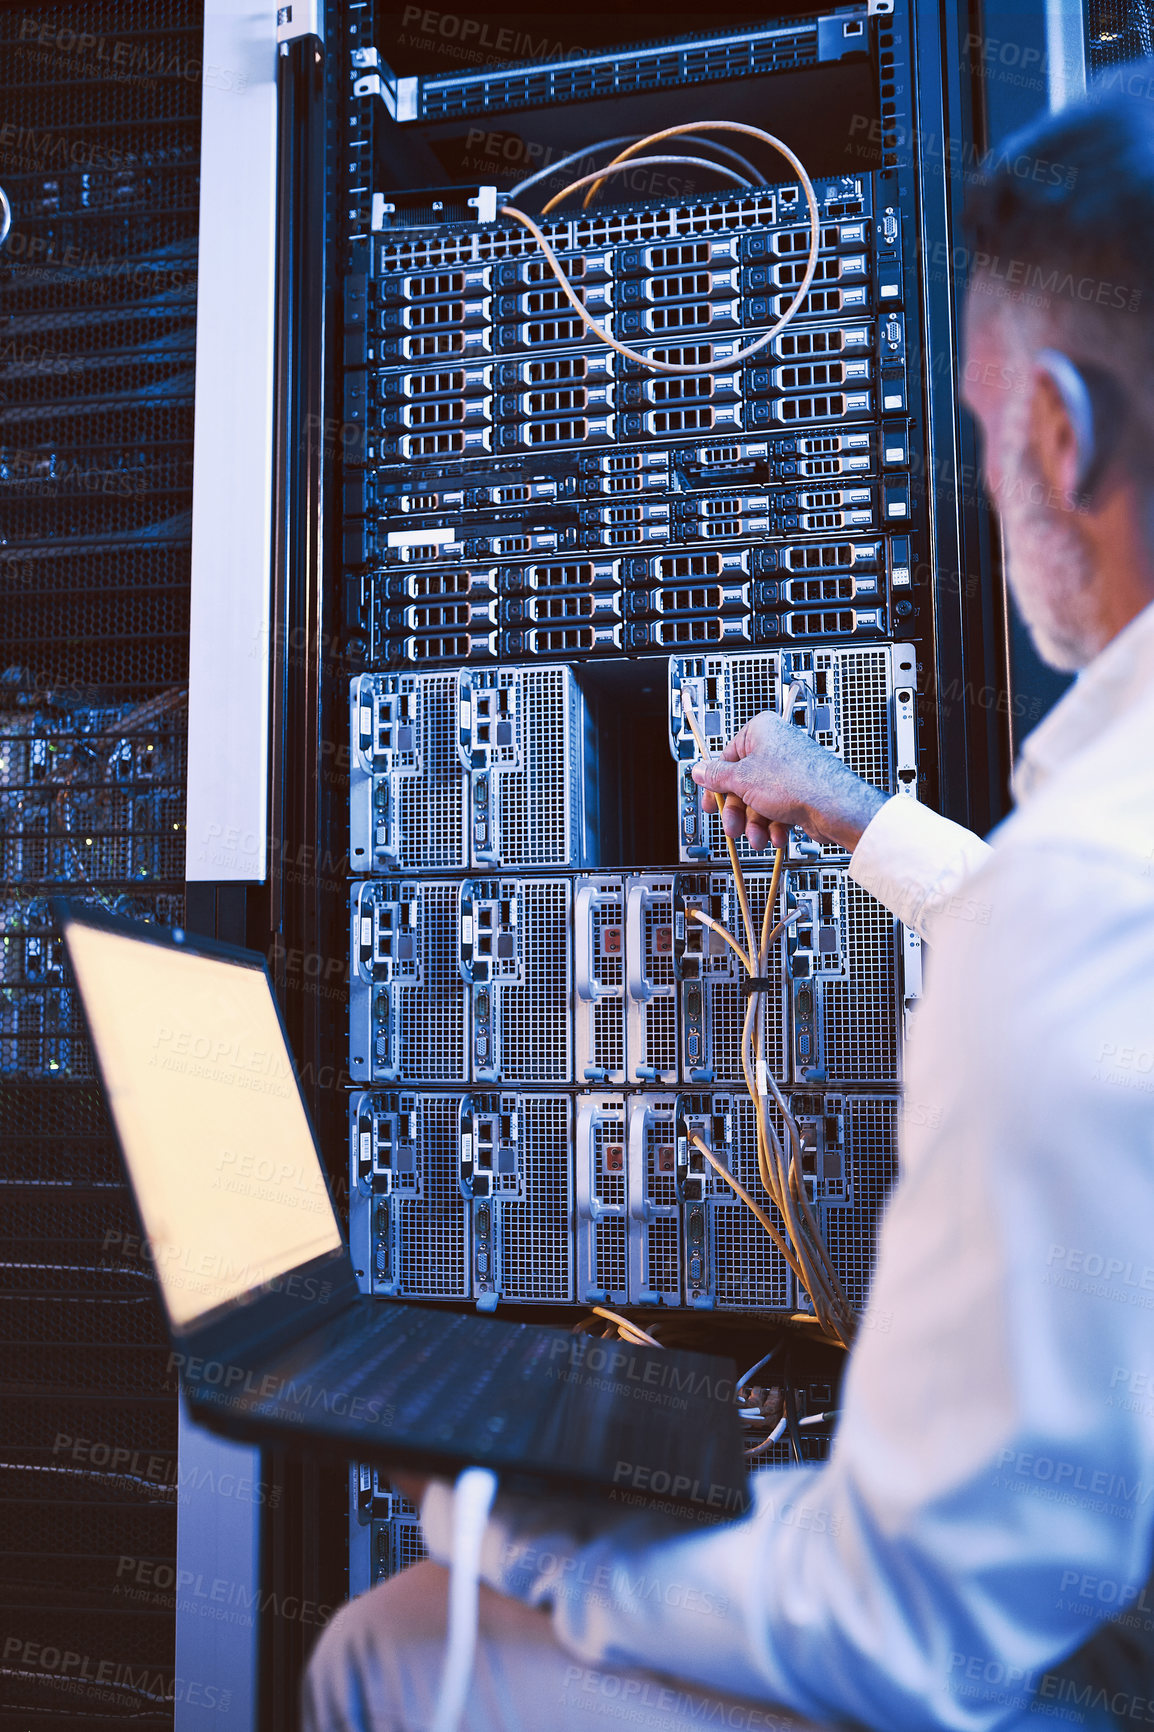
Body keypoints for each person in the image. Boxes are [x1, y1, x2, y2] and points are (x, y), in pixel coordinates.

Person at [304, 82, 1154, 1731]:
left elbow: (906, 1632)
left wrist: (535, 1530)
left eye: (976, 430)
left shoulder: (1088, 893)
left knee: (406, 1635)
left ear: (1058, 427)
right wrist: (856, 816)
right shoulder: (1096, 881)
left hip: (1099, 1643)